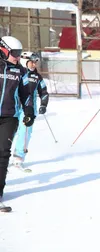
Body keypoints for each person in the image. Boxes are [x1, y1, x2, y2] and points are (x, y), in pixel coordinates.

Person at [0, 36, 34, 201]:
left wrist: (29, 112)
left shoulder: (21, 71)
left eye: (20, 53)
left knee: (2, 153)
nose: (18, 56)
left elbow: (26, 94)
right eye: (15, 53)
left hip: (9, 117)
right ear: (4, 50)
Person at [12, 52, 49, 169]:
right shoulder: (15, 72)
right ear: (25, 61)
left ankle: (19, 157)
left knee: (25, 132)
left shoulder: (37, 77)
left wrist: (43, 104)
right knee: (8, 131)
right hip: (12, 107)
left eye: (35, 62)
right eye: (32, 62)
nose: (34, 64)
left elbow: (44, 92)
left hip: (28, 109)